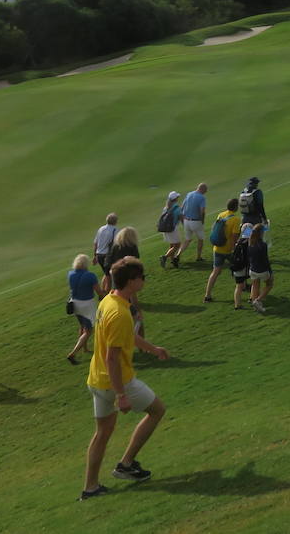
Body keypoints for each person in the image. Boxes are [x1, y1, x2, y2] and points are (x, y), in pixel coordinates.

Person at [81, 257, 169, 499]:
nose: (144, 280)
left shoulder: (108, 301)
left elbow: (124, 338)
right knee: (157, 410)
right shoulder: (120, 314)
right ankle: (127, 464)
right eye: (142, 277)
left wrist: (153, 349)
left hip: (97, 380)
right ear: (132, 281)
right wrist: (121, 395)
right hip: (117, 381)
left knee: (102, 433)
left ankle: (90, 487)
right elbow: (112, 358)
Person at [202, 198, 242, 303]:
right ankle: (243, 286)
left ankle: (207, 295)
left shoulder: (221, 215)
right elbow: (234, 236)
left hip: (217, 248)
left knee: (215, 271)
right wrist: (234, 249)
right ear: (236, 207)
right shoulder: (236, 220)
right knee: (240, 268)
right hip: (228, 250)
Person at [67, 254, 101, 365]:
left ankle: (85, 348)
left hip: (74, 303)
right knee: (88, 330)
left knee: (82, 326)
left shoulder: (70, 274)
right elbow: (98, 291)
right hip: (87, 305)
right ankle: (73, 353)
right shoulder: (90, 276)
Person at [175, 183, 207, 265]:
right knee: (201, 239)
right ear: (202, 189)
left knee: (187, 240)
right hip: (196, 221)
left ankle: (177, 255)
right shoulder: (202, 197)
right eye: (205, 191)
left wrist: (183, 217)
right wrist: (202, 220)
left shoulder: (189, 194)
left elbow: (182, 207)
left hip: (186, 221)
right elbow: (202, 211)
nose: (205, 192)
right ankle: (199, 257)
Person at [246, 223, 273, 313]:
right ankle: (258, 300)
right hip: (262, 270)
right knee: (269, 284)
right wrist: (270, 271)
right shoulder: (262, 245)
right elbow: (265, 260)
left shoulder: (250, 242)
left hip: (252, 269)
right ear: (261, 233)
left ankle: (255, 306)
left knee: (255, 286)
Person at [93, 213, 119, 290]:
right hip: (108, 256)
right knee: (109, 277)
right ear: (115, 221)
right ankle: (106, 296)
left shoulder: (101, 229)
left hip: (99, 255)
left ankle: (103, 291)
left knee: (106, 274)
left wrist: (95, 256)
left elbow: (95, 243)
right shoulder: (116, 230)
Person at [157, 191, 182, 269]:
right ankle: (164, 257)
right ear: (176, 199)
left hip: (166, 230)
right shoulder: (177, 208)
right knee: (177, 245)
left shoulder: (166, 207)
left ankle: (173, 260)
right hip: (173, 229)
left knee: (172, 245)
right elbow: (181, 218)